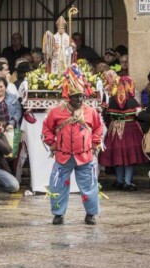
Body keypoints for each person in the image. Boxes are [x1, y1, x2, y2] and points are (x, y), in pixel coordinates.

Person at [42, 69, 103, 225]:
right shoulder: (56, 112)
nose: (79, 100)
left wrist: (95, 142)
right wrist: (53, 143)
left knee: (89, 186)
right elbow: (46, 129)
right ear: (68, 97)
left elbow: (98, 128)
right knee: (57, 186)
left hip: (85, 156)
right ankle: (58, 213)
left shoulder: (90, 112)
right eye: (75, 97)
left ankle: (91, 214)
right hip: (63, 156)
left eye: (81, 96)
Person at [100, 76, 147, 191]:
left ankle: (119, 180)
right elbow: (138, 115)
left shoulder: (112, 100)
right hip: (131, 129)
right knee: (130, 156)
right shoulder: (132, 100)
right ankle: (127, 182)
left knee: (118, 156)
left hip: (114, 129)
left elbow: (105, 115)